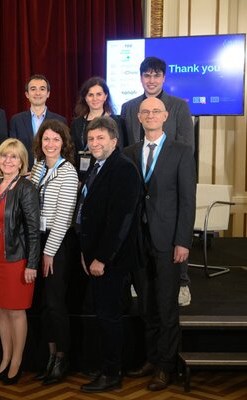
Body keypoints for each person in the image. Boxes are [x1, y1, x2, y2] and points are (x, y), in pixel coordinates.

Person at [124, 97, 196, 391]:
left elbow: (187, 201)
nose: (150, 115)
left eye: (156, 111)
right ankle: (152, 359)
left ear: (165, 116)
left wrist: (183, 241)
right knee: (147, 304)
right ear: (138, 117)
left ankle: (166, 366)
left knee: (166, 306)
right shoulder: (129, 152)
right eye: (145, 112)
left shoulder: (181, 151)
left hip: (168, 241)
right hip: (139, 241)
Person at [120, 57, 194, 306]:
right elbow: (126, 149)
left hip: (169, 183)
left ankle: (182, 282)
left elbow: (187, 146)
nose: (151, 80)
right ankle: (138, 282)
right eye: (147, 75)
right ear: (141, 78)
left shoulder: (178, 106)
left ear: (163, 78)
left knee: (172, 242)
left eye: (156, 75)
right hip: (140, 186)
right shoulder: (129, 107)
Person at [76, 117, 141, 393]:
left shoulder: (123, 169)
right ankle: (106, 366)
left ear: (114, 141)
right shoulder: (97, 166)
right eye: (91, 139)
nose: (94, 143)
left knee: (110, 317)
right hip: (94, 256)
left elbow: (120, 221)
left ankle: (112, 373)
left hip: (111, 262)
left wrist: (102, 258)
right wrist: (86, 252)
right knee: (102, 315)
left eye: (100, 138)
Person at [0, 138, 40, 385]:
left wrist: (32, 264)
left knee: (16, 312)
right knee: (0, 310)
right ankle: (5, 359)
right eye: (4, 156)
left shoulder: (26, 188)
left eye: (13, 156)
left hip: (16, 260)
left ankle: (16, 363)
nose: (8, 160)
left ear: (21, 162)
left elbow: (33, 230)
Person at [29, 120, 78, 385]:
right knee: (44, 304)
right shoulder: (38, 167)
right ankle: (49, 357)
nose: (50, 144)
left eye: (56, 140)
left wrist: (48, 253)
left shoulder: (68, 172)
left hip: (56, 243)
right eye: (46, 139)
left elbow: (63, 218)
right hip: (37, 239)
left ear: (64, 143)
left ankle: (62, 358)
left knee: (55, 303)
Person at [70, 77, 122, 181]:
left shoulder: (114, 121)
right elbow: (72, 151)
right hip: (81, 176)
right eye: (90, 95)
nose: (95, 98)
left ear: (105, 96)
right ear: (85, 98)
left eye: (99, 94)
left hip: (107, 174)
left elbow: (119, 150)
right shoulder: (77, 123)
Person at [10, 74, 67, 168]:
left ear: (48, 94)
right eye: (33, 89)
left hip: (51, 171)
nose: (38, 93)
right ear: (27, 94)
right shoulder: (16, 120)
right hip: (24, 172)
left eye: (42, 89)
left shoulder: (60, 121)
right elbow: (13, 150)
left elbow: (64, 150)